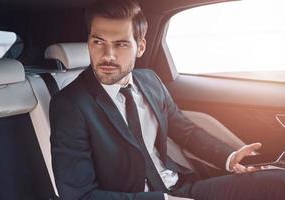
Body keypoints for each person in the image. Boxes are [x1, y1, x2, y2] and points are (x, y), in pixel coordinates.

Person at [49, 0, 285, 199]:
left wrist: (229, 157)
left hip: (180, 187)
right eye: (98, 42)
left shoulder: (150, 81)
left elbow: (185, 131)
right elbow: (79, 196)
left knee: (276, 181)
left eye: (120, 44)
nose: (107, 55)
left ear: (140, 47)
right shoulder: (70, 105)